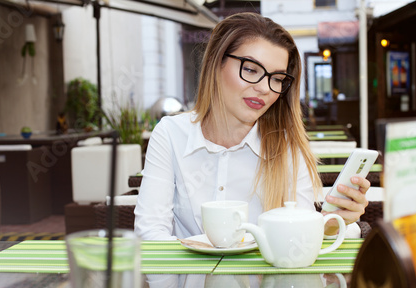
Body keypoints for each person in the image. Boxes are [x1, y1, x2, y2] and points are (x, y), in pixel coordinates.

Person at [134, 12, 370, 241]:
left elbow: (297, 238)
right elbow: (150, 234)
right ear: (217, 64)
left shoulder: (287, 148)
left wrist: (329, 225)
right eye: (250, 69)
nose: (265, 88)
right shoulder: (170, 134)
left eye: (277, 79)